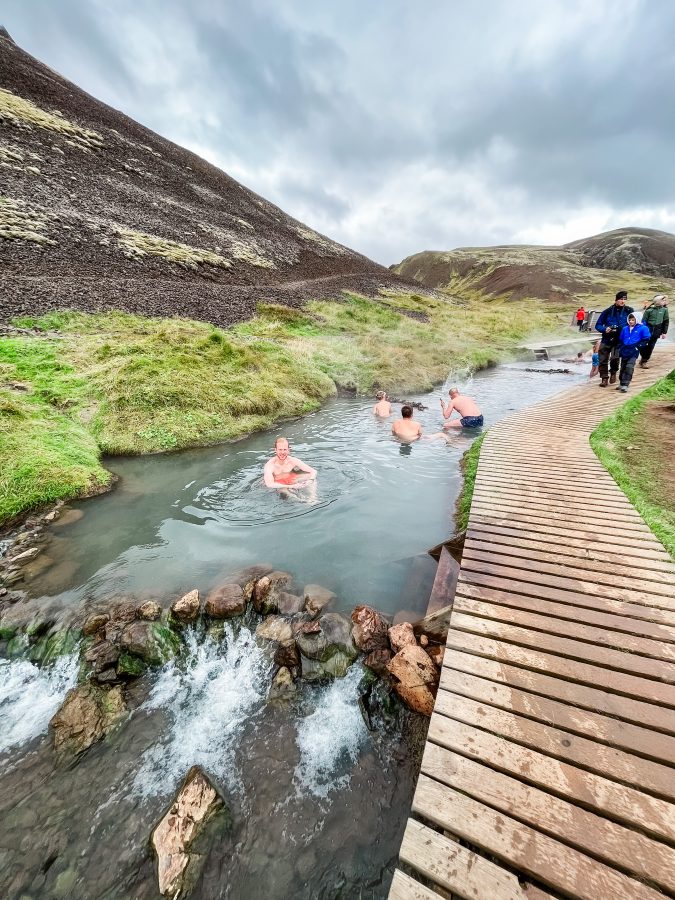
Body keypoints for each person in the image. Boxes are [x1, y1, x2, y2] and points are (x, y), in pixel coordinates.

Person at [594, 290, 634, 387]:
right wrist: (604, 329)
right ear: (616, 300)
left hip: (620, 339)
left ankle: (613, 373)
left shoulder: (629, 311)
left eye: (625, 299)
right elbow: (598, 325)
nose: (623, 301)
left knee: (615, 358)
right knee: (602, 359)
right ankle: (604, 378)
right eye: (621, 299)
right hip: (606, 338)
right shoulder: (607, 311)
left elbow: (636, 322)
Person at [617, 314, 650, 392]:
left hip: (634, 350)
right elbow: (621, 339)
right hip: (624, 350)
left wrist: (638, 346)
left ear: (637, 319)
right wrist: (620, 347)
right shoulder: (625, 328)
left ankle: (625, 385)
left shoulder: (643, 328)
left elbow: (646, 339)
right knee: (623, 368)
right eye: (630, 320)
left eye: (633, 320)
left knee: (629, 367)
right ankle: (621, 383)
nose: (631, 321)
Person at [639, 295, 669, 368]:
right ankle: (643, 357)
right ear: (658, 301)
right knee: (642, 346)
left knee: (651, 346)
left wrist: (664, 332)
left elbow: (666, 321)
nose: (664, 302)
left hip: (657, 331)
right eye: (663, 300)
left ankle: (644, 361)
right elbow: (644, 321)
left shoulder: (664, 310)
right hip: (647, 330)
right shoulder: (649, 310)